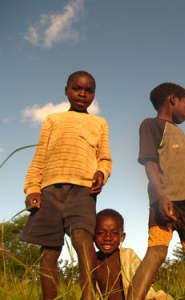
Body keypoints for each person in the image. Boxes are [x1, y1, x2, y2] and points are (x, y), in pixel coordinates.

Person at [21, 70, 112, 300]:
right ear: (66, 90)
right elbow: (39, 156)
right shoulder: (53, 119)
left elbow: (105, 158)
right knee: (49, 250)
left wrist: (101, 173)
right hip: (50, 190)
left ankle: (88, 296)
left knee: (83, 240)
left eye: (88, 90)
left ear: (94, 94)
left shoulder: (99, 123)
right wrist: (32, 188)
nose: (82, 94)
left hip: (83, 190)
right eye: (77, 88)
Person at [129, 83, 185, 300]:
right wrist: (161, 195)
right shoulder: (152, 125)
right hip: (166, 202)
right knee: (156, 252)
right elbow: (150, 163)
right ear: (173, 99)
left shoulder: (179, 133)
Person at [94, 209, 172, 300]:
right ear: (93, 236)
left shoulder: (128, 256)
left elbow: (145, 281)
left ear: (122, 237)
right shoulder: (91, 261)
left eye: (114, 233)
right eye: (101, 233)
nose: (107, 237)